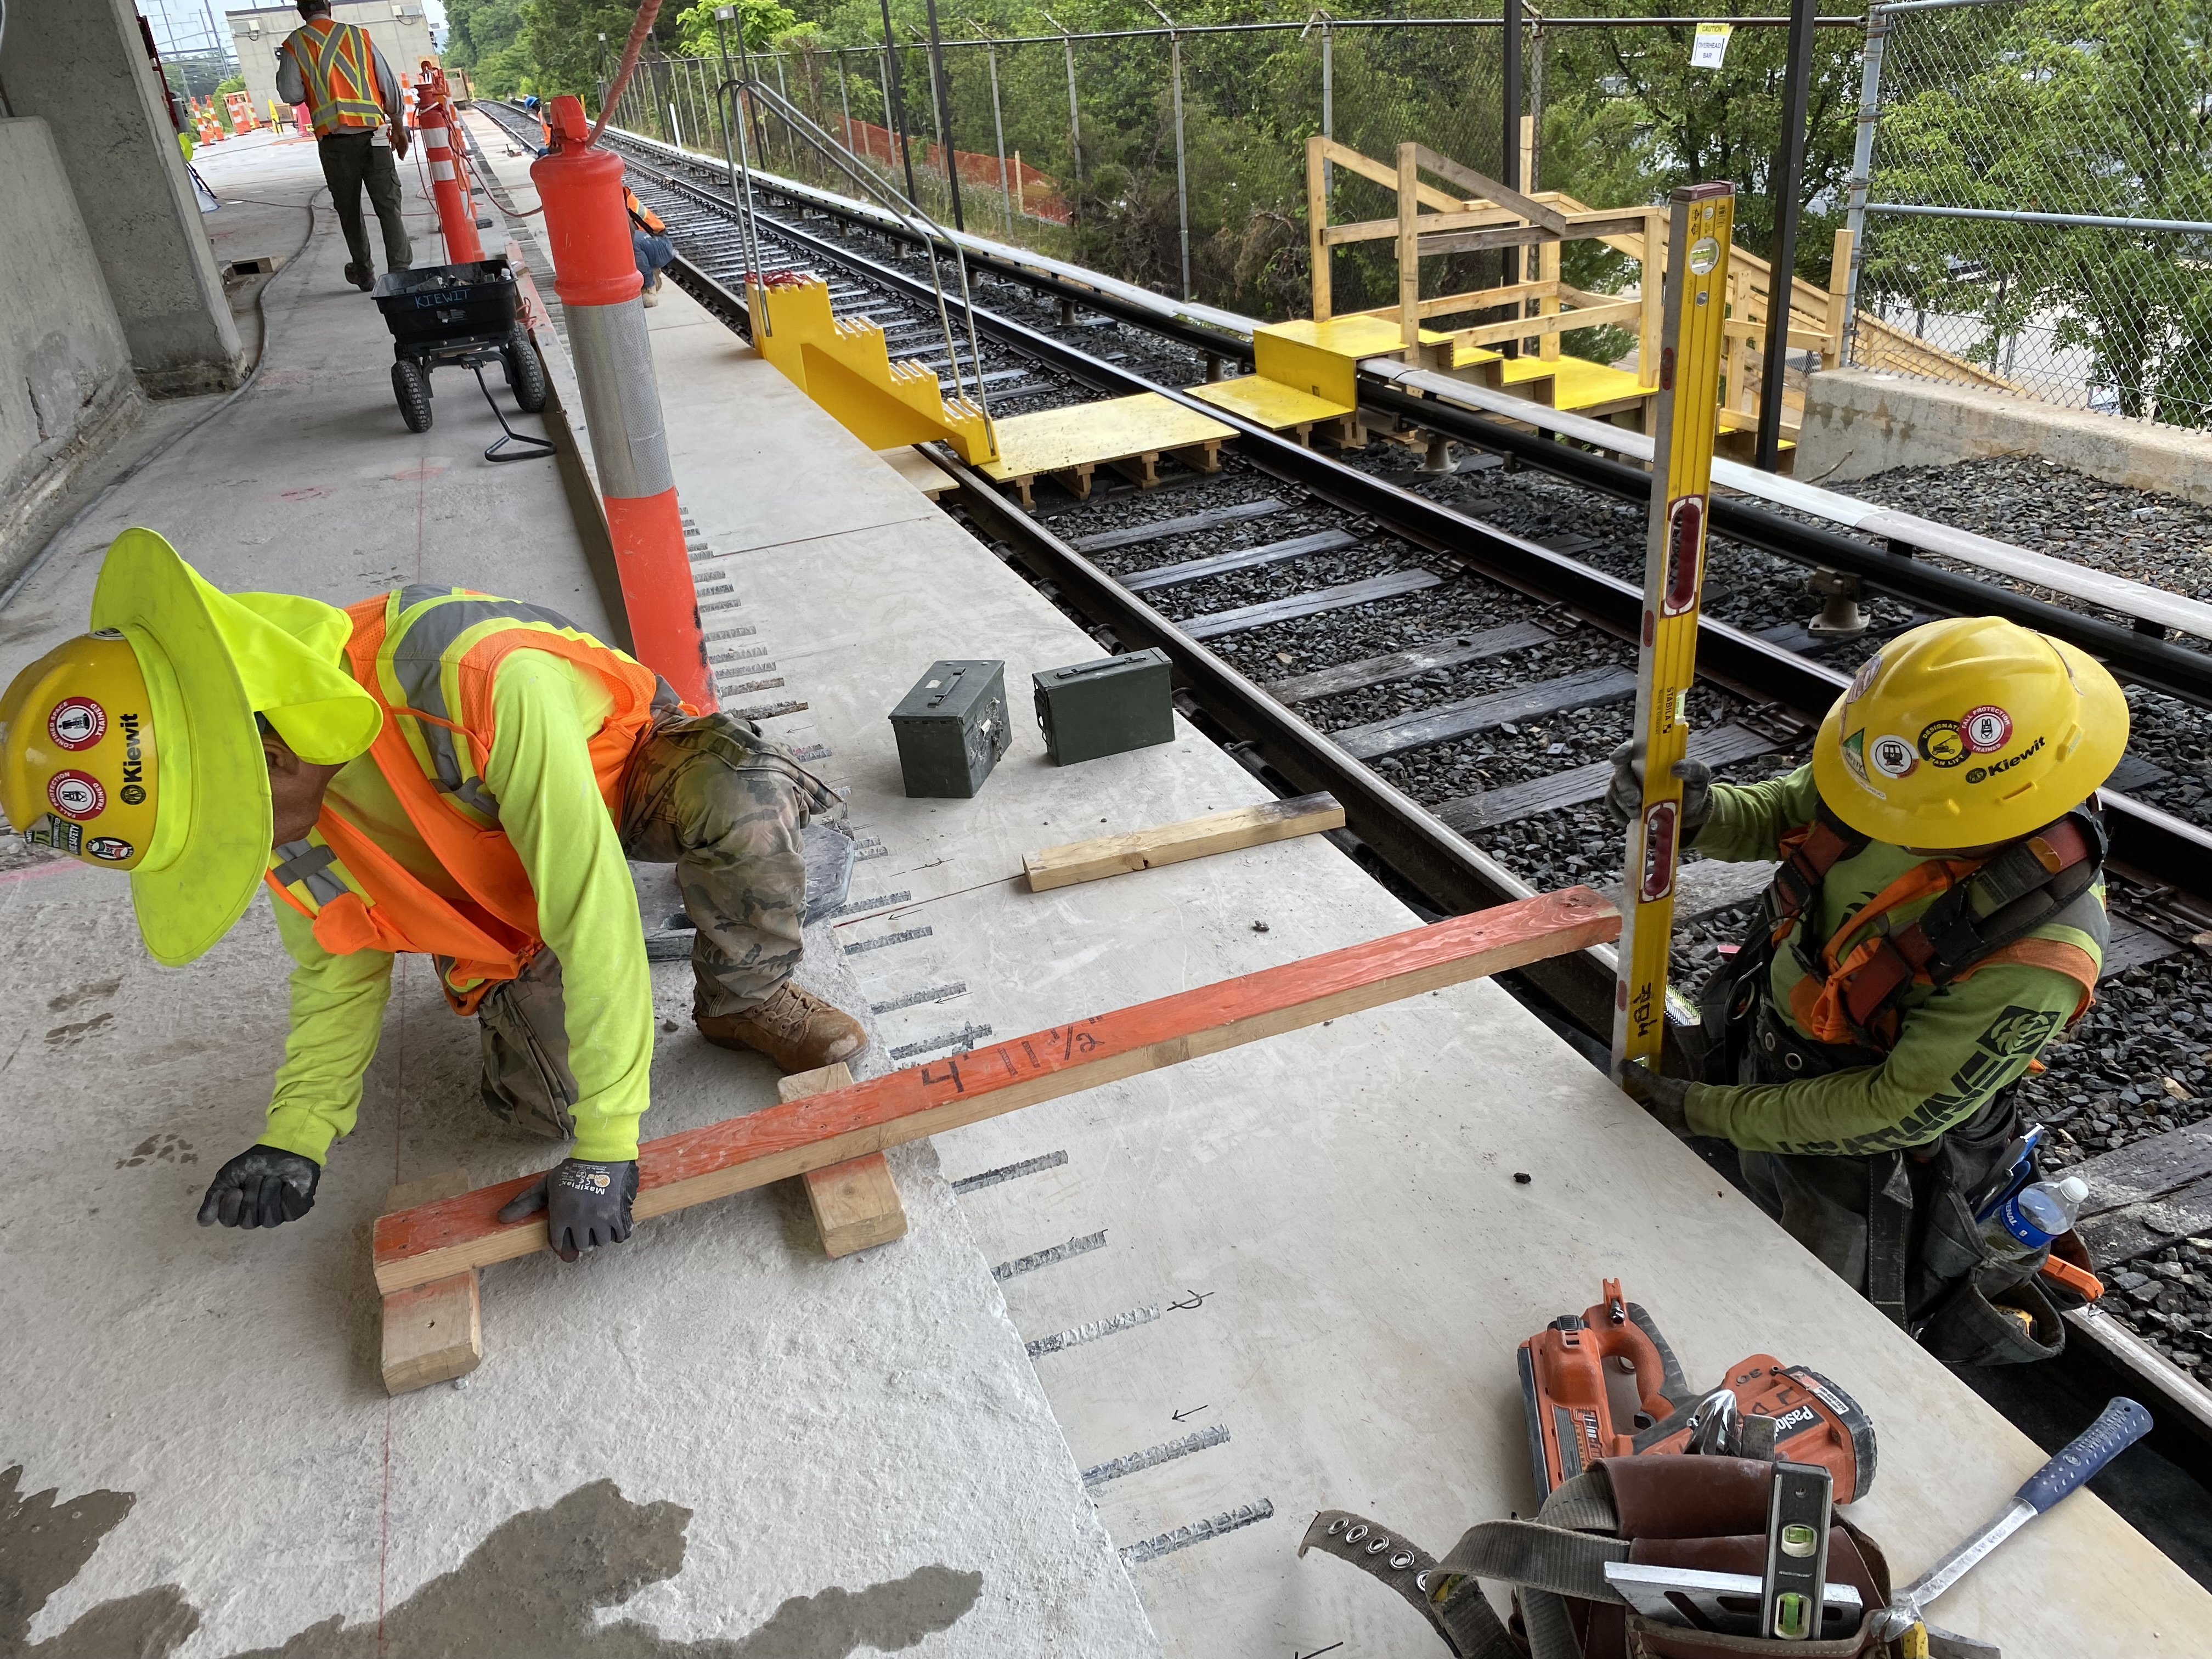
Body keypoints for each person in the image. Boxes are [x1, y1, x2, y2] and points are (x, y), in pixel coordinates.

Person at [2, 532, 868, 1261]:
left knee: (736, 796)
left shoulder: (472, 681)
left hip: (614, 781)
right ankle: (522, 1002)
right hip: (502, 908)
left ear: (269, 761)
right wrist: (295, 1133)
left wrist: (608, 1150)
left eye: (230, 832)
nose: (245, 855)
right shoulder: (277, 804)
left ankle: (745, 1000)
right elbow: (336, 968)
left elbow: (591, 905)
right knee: (548, 1105)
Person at [1608, 616, 2124, 1357]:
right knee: (1749, 1224)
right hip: (1773, 1066)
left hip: (1859, 1166)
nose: (1875, 815)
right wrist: (1698, 816)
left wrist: (1712, 1111)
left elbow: (1896, 1111)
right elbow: (1788, 816)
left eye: (1902, 814)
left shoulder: (2038, 955)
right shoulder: (1898, 776)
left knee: (1807, 1328)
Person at [275, 0, 413, 292]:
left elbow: (291, 94)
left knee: (349, 210)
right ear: (329, 7)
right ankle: (400, 273)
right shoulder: (358, 37)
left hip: (335, 144)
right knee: (389, 206)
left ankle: (364, 272)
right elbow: (388, 84)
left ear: (301, 11)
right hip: (374, 136)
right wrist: (398, 126)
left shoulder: (295, 44)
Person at [627, 187, 675, 307]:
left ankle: (648, 288)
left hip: (659, 242)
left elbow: (630, 232)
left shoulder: (619, 199)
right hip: (649, 242)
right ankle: (650, 274)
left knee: (630, 240)